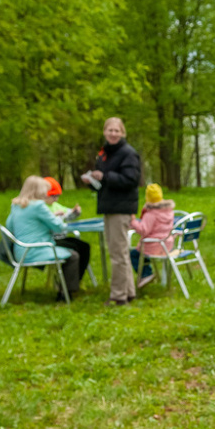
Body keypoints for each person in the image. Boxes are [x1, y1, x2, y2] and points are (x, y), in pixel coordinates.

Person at [86, 117, 141, 306]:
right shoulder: (104, 154)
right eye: (110, 130)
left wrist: (106, 176)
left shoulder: (128, 154)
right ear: (104, 132)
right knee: (120, 252)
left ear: (123, 132)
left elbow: (131, 179)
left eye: (117, 131)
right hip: (109, 206)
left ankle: (118, 296)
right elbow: (104, 181)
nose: (113, 134)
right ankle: (129, 292)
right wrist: (94, 181)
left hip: (122, 208)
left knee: (118, 254)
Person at [4, 176, 81, 301]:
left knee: (70, 252)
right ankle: (64, 293)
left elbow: (9, 226)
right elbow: (58, 227)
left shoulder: (16, 205)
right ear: (38, 190)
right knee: (73, 256)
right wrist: (57, 217)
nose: (46, 194)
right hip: (37, 250)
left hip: (20, 251)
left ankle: (64, 290)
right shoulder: (38, 206)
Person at [43, 176, 92, 285]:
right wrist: (55, 216)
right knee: (74, 251)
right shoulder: (41, 207)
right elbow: (49, 223)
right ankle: (67, 286)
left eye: (58, 196)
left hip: (60, 236)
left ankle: (74, 281)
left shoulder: (55, 205)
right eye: (53, 196)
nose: (56, 199)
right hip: (50, 239)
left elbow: (67, 214)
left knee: (84, 247)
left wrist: (75, 212)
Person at [129, 184, 177, 289]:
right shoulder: (168, 211)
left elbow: (143, 230)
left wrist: (133, 221)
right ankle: (148, 273)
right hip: (167, 245)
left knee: (133, 254)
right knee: (140, 253)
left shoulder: (151, 214)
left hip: (154, 245)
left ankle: (146, 274)